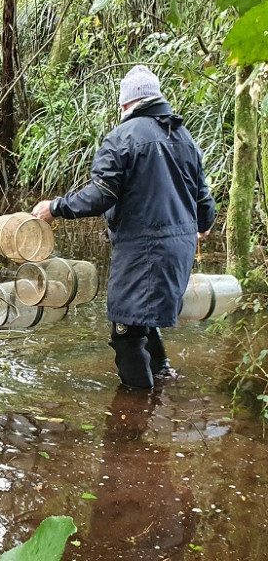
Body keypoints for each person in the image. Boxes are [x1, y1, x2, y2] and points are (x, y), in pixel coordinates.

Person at [32, 65, 216, 390]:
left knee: (125, 330)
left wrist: (55, 208)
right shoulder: (184, 138)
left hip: (144, 249)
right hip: (180, 248)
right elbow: (205, 206)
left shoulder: (123, 137)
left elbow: (101, 195)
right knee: (141, 316)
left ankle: (137, 411)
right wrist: (199, 228)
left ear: (126, 104)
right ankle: (162, 375)